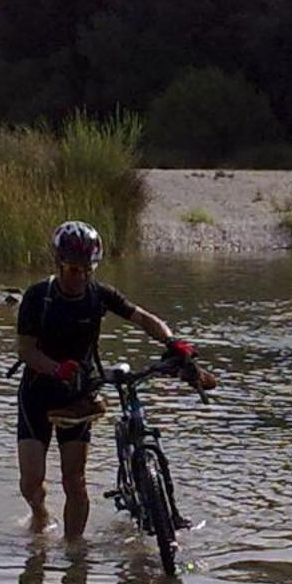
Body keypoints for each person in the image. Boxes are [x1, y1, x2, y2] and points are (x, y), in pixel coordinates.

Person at [16, 220, 188, 539]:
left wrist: (171, 341)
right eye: (72, 269)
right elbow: (25, 350)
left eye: (86, 269)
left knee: (75, 480)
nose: (79, 277)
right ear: (58, 263)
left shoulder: (99, 295)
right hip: (37, 392)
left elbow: (142, 317)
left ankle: (73, 551)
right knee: (30, 481)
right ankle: (40, 514)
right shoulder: (38, 296)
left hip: (79, 395)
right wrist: (55, 368)